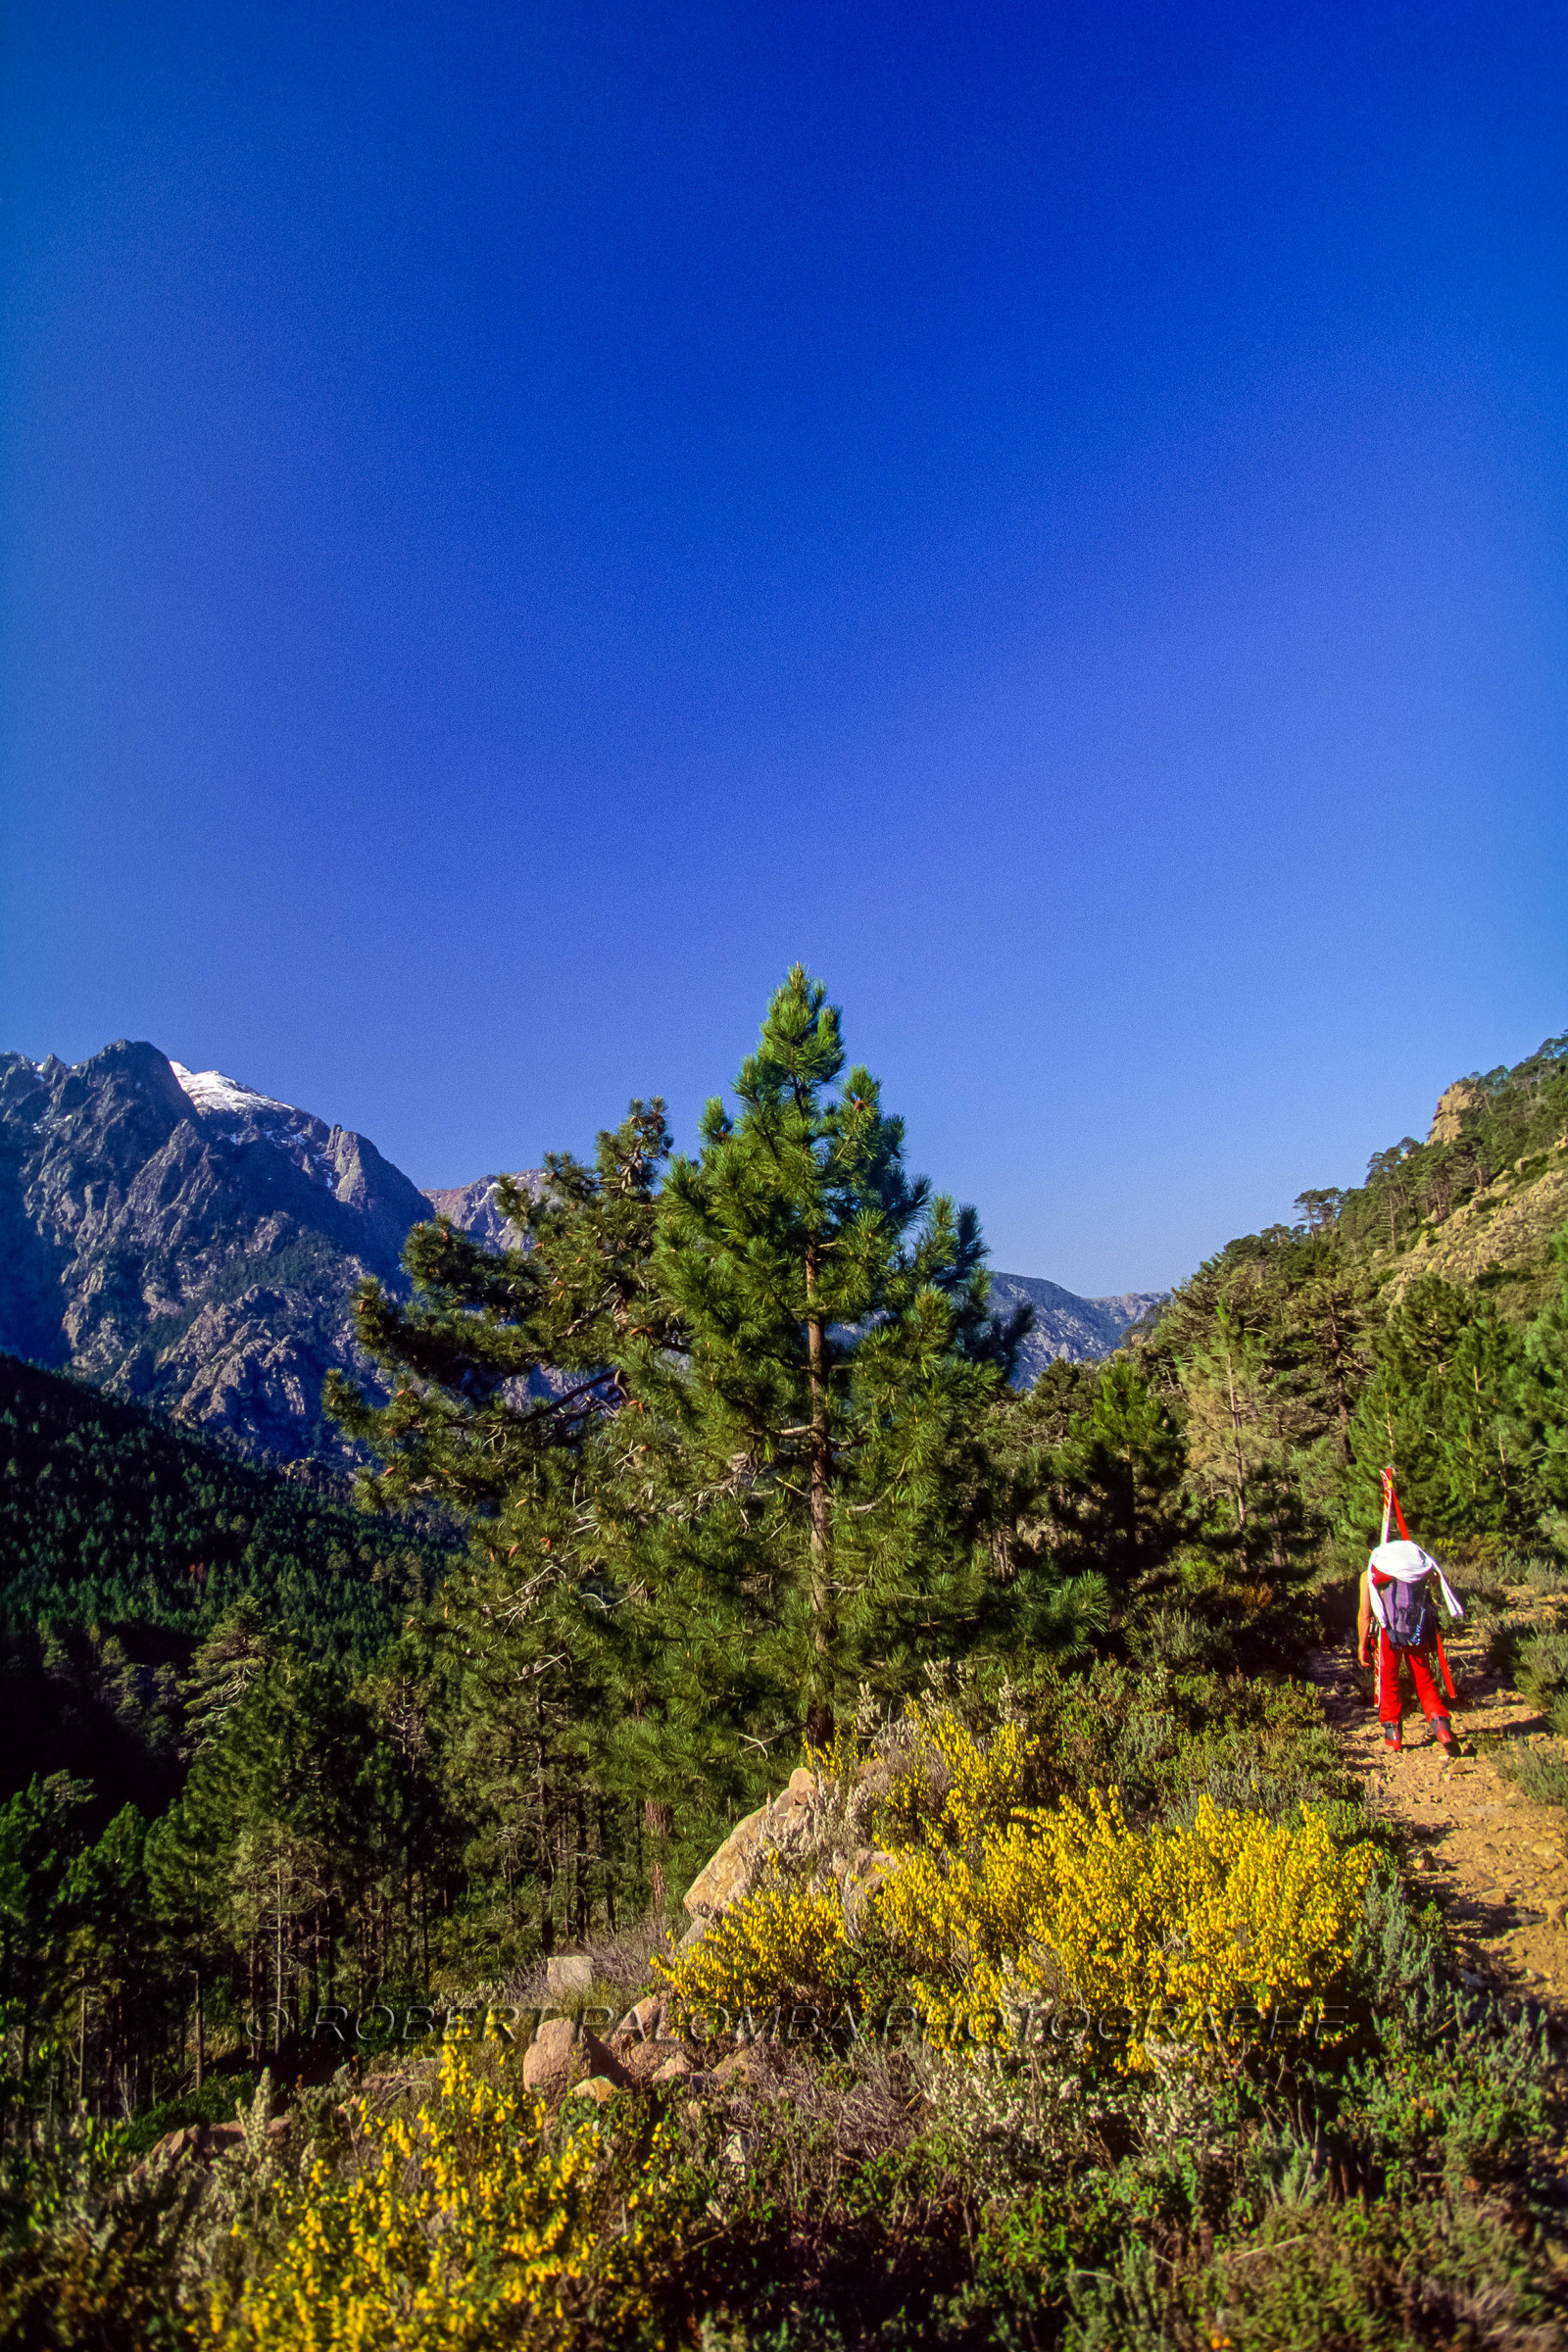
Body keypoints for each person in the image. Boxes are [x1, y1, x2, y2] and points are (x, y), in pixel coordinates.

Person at [1357, 1533, 1465, 1755]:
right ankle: (1442, 1727)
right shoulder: (1413, 1570)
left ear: (1371, 1551)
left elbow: (1365, 1615)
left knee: (1388, 1681)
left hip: (1387, 1633)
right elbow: (1437, 1578)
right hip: (1414, 1629)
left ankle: (1393, 1736)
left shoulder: (1371, 1574)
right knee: (1424, 1679)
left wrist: (1362, 1645)